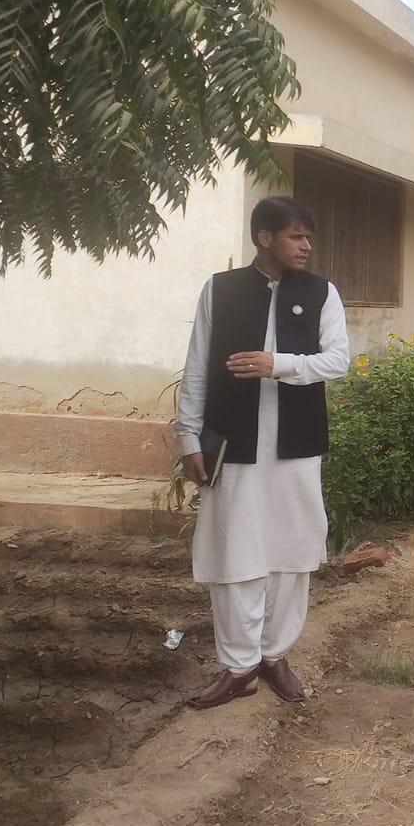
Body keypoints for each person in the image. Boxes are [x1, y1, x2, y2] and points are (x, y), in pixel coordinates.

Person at [177, 196, 351, 710]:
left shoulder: (322, 293)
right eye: (296, 236)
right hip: (234, 443)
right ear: (264, 237)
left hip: (296, 446)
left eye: (309, 237)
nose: (306, 246)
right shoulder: (221, 291)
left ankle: (275, 657)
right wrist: (190, 438)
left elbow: (338, 361)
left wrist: (278, 364)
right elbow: (196, 368)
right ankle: (239, 667)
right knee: (236, 551)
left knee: (292, 551)